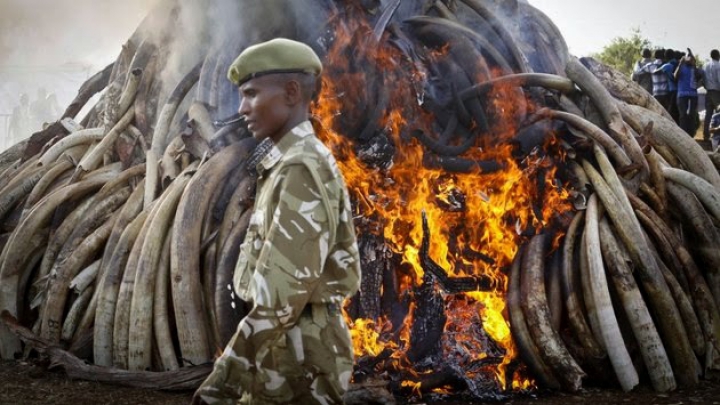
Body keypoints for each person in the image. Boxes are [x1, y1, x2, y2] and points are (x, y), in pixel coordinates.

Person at [192, 38, 361, 405]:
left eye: (252, 93)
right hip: (285, 349)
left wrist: (222, 382)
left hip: (296, 359)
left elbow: (279, 298)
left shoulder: (300, 166)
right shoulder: (286, 161)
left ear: (291, 92)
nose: (242, 108)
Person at [675, 50, 701, 136]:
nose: (690, 60)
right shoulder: (681, 66)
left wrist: (694, 65)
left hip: (693, 95)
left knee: (692, 115)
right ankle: (683, 134)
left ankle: (691, 134)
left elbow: (699, 76)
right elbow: (675, 76)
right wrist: (680, 64)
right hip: (682, 94)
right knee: (683, 115)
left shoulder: (694, 68)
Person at [704, 49, 720, 140]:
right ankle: (717, 136)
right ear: (718, 56)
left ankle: (706, 135)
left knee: (708, 114)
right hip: (716, 92)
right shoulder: (718, 65)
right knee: (718, 114)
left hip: (708, 91)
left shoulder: (705, 65)